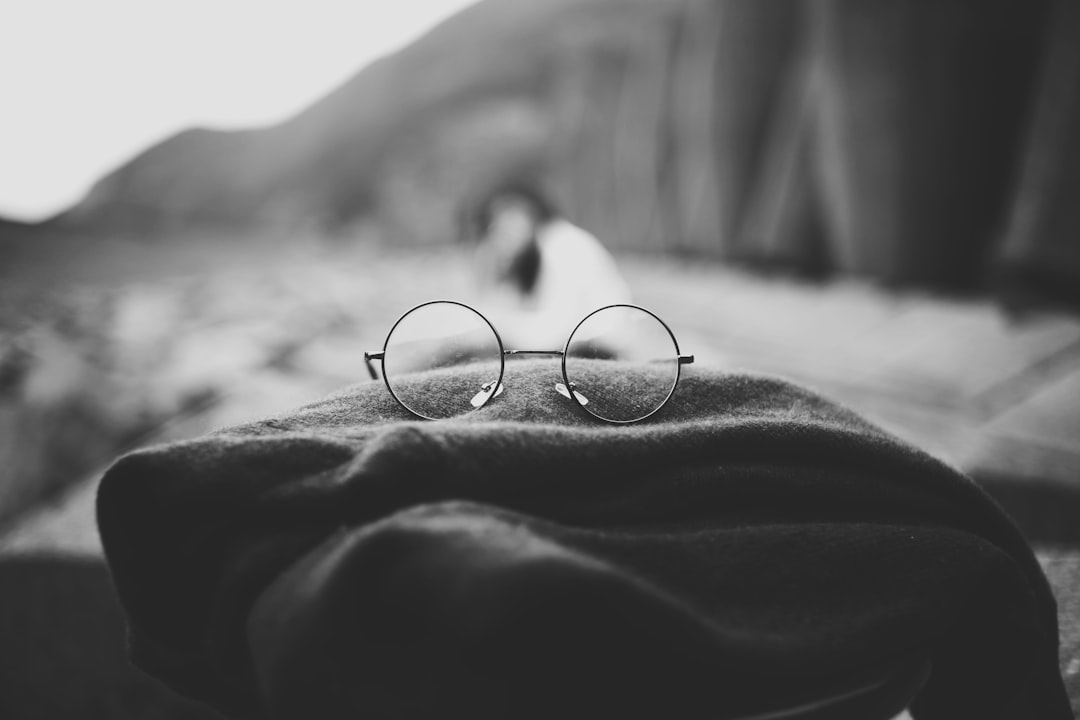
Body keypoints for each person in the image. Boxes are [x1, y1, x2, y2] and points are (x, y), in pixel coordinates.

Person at [467, 183, 632, 348]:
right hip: (572, 350)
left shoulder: (564, 244)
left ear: (528, 214)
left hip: (595, 352)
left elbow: (554, 331)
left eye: (503, 220)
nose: (497, 232)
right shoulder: (533, 253)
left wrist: (494, 327)